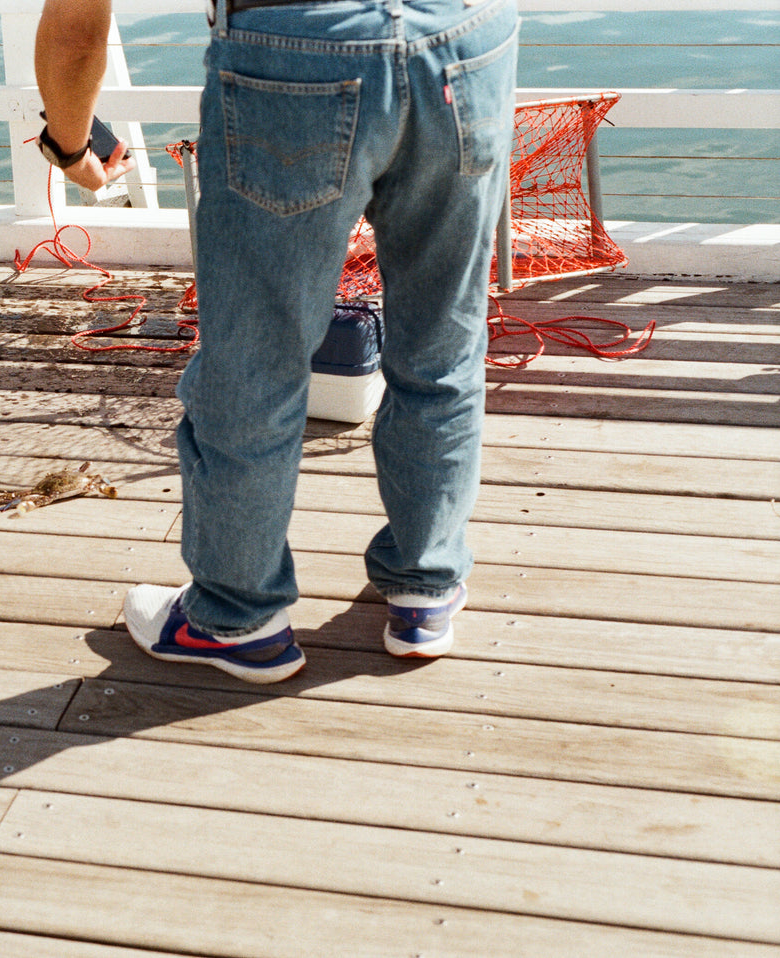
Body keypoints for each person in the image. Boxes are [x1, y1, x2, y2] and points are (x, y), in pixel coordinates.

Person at [35, 0, 518, 682]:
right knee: (443, 341)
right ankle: (424, 589)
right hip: (462, 38)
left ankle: (236, 617)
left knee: (255, 362)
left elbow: (78, 26)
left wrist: (70, 143)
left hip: (295, 51)